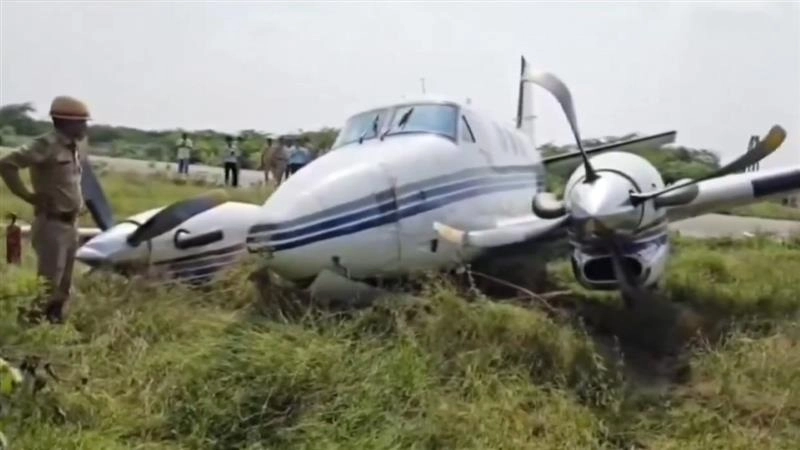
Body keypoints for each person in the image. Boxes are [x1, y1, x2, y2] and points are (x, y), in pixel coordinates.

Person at [0, 96, 91, 324]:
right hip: (52, 224)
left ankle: (53, 326)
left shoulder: (74, 147)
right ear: (65, 122)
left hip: (70, 224)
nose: (85, 126)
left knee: (64, 285)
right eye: (81, 122)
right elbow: (7, 164)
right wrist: (28, 196)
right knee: (48, 286)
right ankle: (31, 329)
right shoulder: (46, 145)